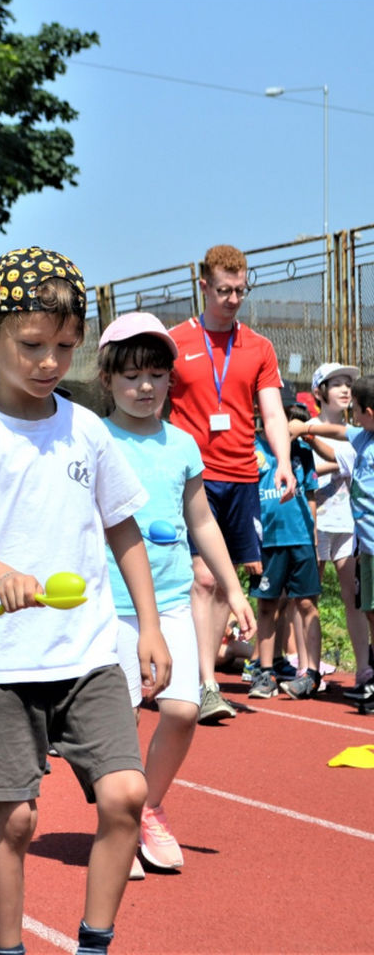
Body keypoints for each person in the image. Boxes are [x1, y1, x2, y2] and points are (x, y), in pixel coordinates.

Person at [0, 246, 171, 955]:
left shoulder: (87, 428)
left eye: (65, 345)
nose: (49, 361)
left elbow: (122, 526)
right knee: (18, 822)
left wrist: (149, 627)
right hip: (4, 662)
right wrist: (1, 575)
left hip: (88, 654)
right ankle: (9, 949)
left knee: (125, 798)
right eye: (31, 345)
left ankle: (94, 944)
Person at [97, 312, 255, 877]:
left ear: (170, 379)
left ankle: (147, 807)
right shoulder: (96, 439)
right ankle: (117, 820)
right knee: (120, 719)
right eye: (131, 376)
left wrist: (233, 589)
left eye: (156, 375)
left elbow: (201, 521)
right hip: (109, 607)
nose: (144, 387)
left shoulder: (184, 445)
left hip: (170, 603)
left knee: (183, 709)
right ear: (107, 379)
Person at [168, 245, 295, 724]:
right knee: (200, 578)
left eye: (241, 290)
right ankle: (202, 682)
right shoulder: (175, 341)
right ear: (203, 285)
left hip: (242, 476)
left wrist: (281, 459)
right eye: (224, 290)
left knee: (223, 584)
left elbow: (272, 409)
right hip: (192, 477)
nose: (233, 299)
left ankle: (204, 681)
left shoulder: (258, 347)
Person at [247, 389, 323, 699]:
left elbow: (312, 496)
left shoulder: (303, 452)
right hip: (268, 542)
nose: (285, 422)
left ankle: (312, 674)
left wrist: (313, 539)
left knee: (306, 604)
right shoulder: (251, 449)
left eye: (292, 416)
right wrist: (249, 546)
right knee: (267, 605)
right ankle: (265, 673)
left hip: (301, 539)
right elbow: (246, 501)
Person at [309, 362, 372, 693]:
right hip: (316, 522)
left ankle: (364, 669)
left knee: (355, 600)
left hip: (349, 525)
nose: (346, 389)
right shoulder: (307, 427)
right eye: (337, 384)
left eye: (349, 383)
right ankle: (307, 667)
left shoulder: (359, 431)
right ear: (319, 392)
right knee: (307, 598)